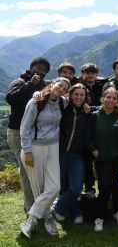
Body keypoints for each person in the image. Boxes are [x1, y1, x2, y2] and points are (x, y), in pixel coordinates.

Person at [19, 77, 70, 238]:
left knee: (54, 187)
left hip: (53, 147)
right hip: (34, 148)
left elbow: (79, 102)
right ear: (53, 83)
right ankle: (47, 217)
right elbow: (25, 128)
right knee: (38, 188)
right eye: (60, 85)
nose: (61, 89)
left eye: (64, 89)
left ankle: (31, 219)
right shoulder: (36, 102)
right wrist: (27, 152)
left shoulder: (63, 102)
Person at [6, 56, 50, 214]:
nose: (41, 72)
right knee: (26, 171)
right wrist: (31, 85)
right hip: (17, 132)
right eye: (38, 68)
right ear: (31, 68)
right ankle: (30, 208)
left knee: (35, 170)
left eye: (44, 71)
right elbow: (11, 99)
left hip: (33, 133)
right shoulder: (19, 82)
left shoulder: (43, 85)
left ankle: (38, 205)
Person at [86, 86, 118, 232]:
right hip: (102, 159)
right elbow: (88, 136)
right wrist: (93, 150)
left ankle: (116, 211)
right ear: (102, 99)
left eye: (114, 98)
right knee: (105, 187)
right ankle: (99, 217)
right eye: (108, 97)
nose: (111, 100)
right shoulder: (94, 115)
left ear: (117, 100)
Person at [53, 83, 90, 225]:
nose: (79, 97)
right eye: (76, 94)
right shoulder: (63, 108)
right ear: (70, 95)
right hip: (60, 153)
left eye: (82, 95)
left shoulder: (88, 112)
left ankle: (57, 208)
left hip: (77, 155)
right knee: (64, 187)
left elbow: (105, 108)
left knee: (76, 187)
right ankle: (75, 212)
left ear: (85, 97)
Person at [79, 62, 108, 197]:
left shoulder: (101, 87)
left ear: (97, 74)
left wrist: (92, 108)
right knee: (86, 162)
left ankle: (106, 189)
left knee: (102, 162)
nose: (90, 75)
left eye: (93, 73)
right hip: (84, 129)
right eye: (87, 72)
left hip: (100, 129)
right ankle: (89, 189)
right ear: (83, 74)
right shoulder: (79, 88)